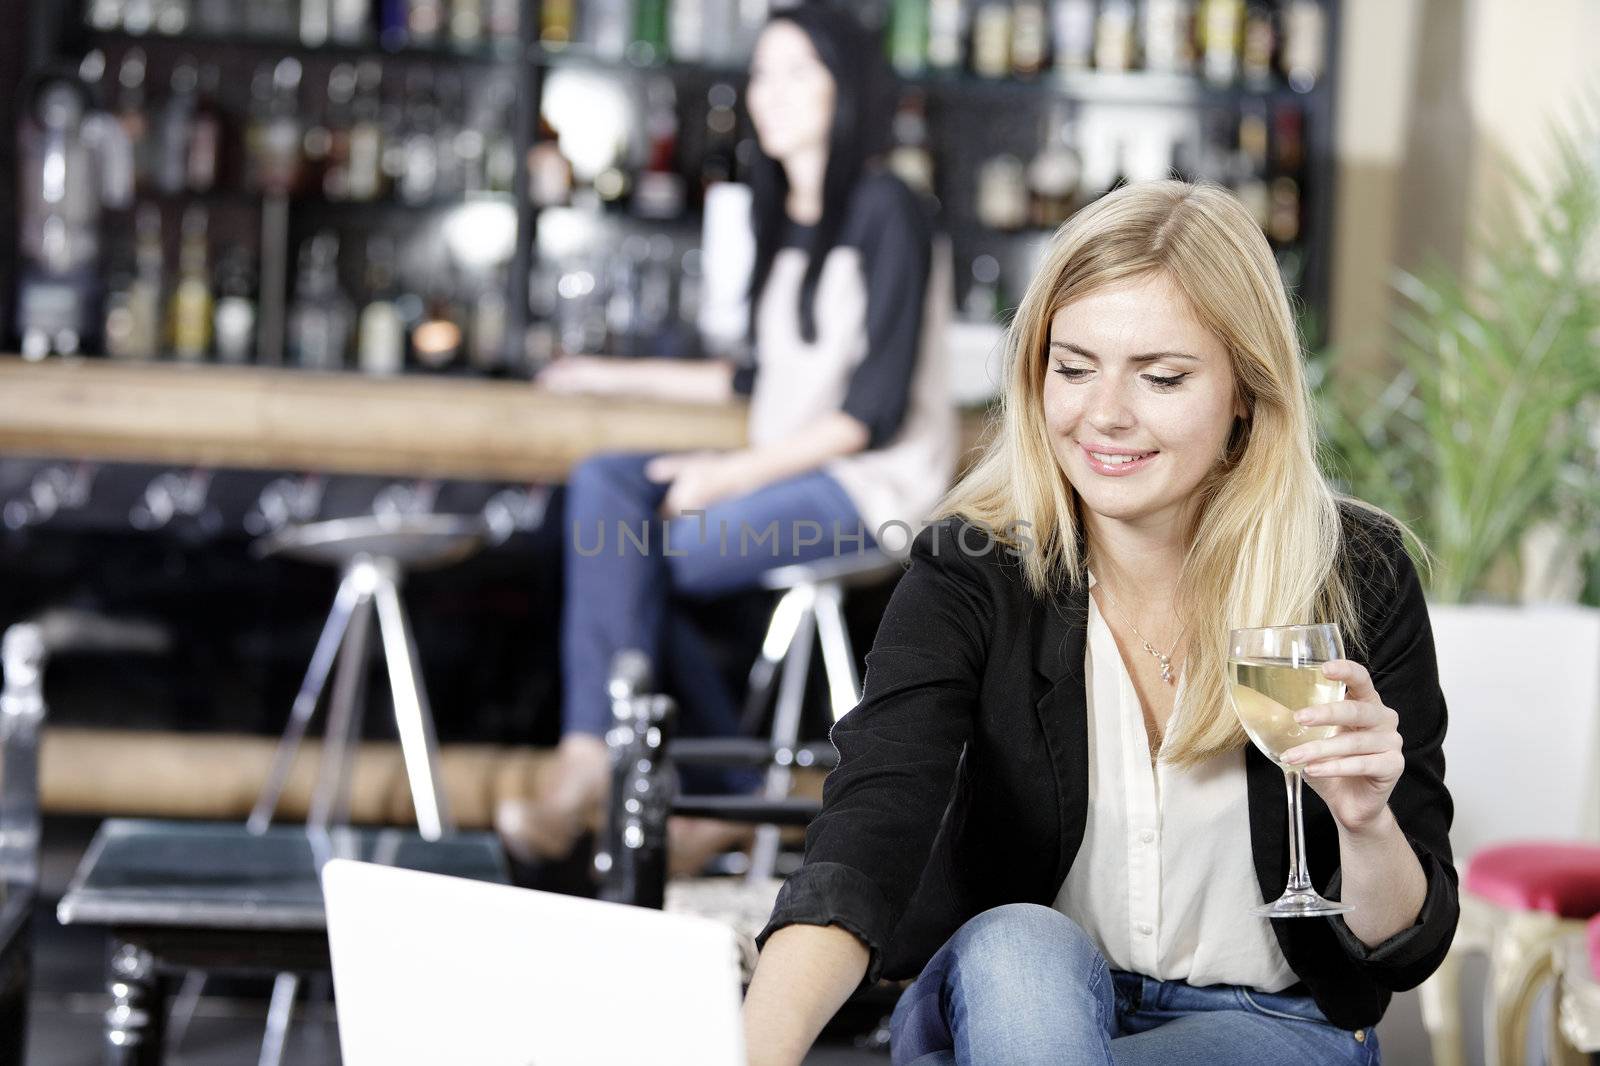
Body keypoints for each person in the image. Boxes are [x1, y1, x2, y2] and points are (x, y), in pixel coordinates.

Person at [741, 180, 1457, 1065]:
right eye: (1073, 367)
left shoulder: (1354, 574)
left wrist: (1364, 823)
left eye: (1161, 377)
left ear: (1246, 389)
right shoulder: (974, 569)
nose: (1104, 415)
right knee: (1019, 944)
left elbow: (1406, 949)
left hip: (1263, 1028)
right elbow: (868, 830)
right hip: (1011, 1011)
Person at [496, 6, 957, 866]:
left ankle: (603, 762)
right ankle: (670, 780)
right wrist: (605, 373)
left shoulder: (891, 207)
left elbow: (873, 414)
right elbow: (751, 378)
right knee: (605, 489)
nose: (769, 96)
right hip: (792, 476)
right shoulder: (783, 213)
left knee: (620, 555)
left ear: (845, 88)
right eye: (761, 75)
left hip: (871, 490)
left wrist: (731, 474)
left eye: (797, 74)